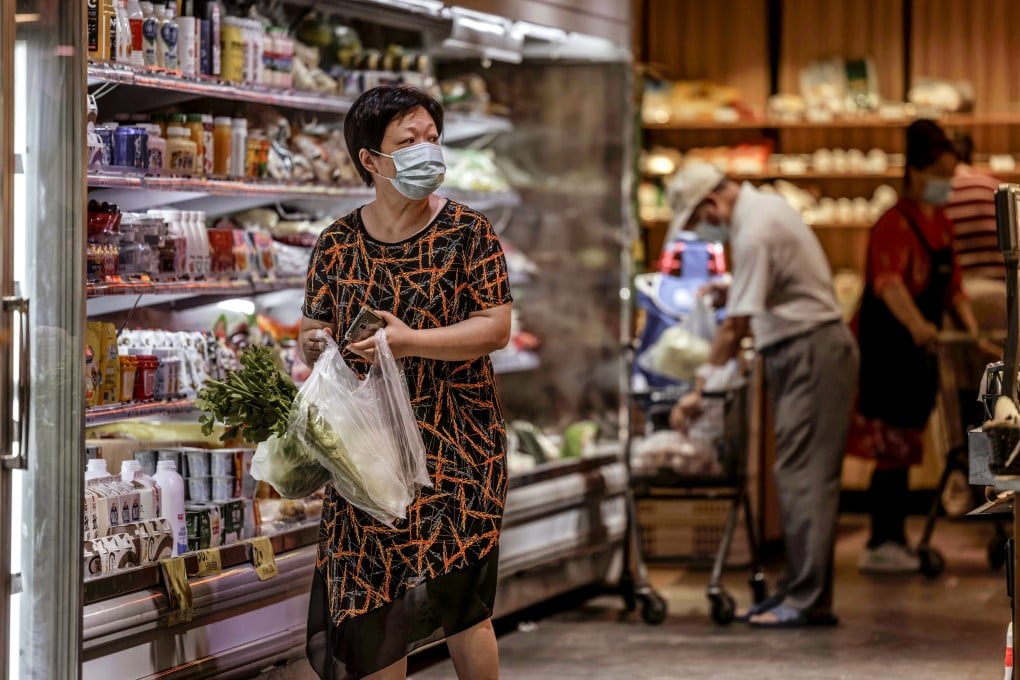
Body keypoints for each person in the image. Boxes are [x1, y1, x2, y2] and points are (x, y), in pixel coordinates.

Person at [299, 85, 512, 680]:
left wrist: (407, 339)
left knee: (460, 602)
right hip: (368, 450)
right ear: (371, 158)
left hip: (458, 445)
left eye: (432, 139)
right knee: (373, 604)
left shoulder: (470, 233)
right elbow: (312, 327)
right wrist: (314, 343)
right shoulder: (337, 243)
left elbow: (495, 328)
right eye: (409, 141)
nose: (427, 151)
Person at [669, 160, 858, 628]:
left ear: (712, 203)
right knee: (796, 472)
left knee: (803, 476)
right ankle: (798, 590)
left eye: (698, 221)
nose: (703, 232)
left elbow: (736, 326)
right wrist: (732, 288)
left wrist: (700, 389)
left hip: (809, 352)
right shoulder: (767, 208)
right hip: (806, 350)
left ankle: (808, 599)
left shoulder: (752, 231)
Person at [851, 120, 992, 574]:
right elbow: (889, 285)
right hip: (888, 350)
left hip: (920, 352)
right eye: (941, 176)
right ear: (914, 173)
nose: (947, 185)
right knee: (891, 446)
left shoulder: (942, 223)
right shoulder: (893, 224)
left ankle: (893, 539)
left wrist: (973, 335)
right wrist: (918, 327)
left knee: (907, 444)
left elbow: (953, 290)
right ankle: (882, 541)